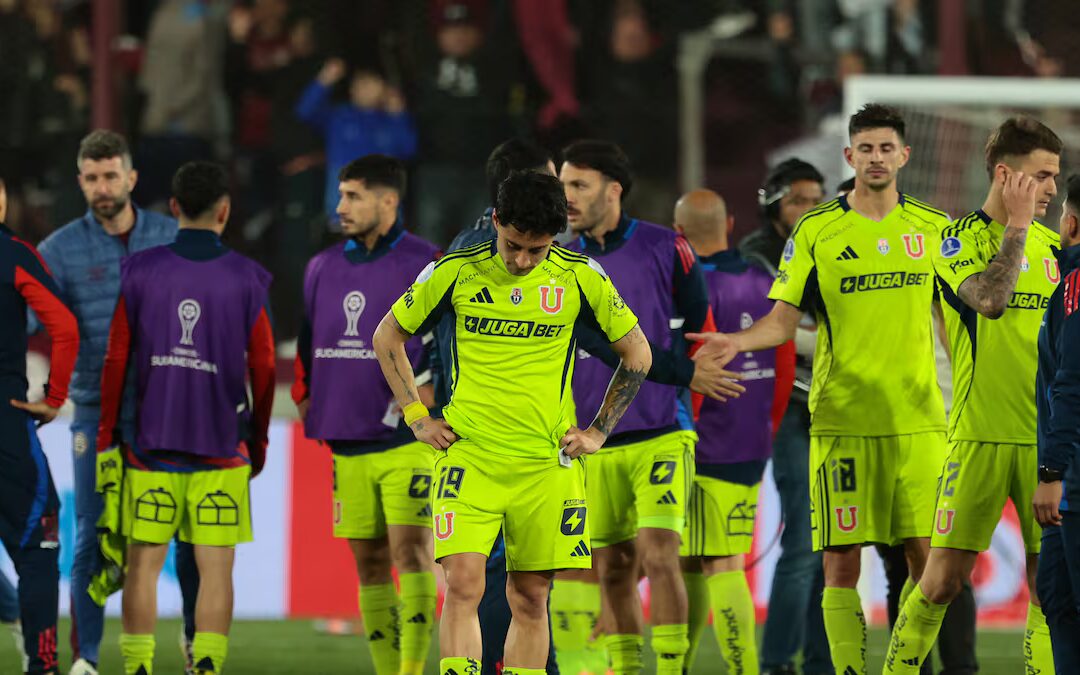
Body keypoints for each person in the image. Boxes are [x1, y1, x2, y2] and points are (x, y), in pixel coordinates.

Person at [688, 104, 950, 674]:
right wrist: (739, 341)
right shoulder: (817, 230)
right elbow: (782, 322)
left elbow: (954, 320)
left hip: (920, 420)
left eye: (887, 148)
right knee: (839, 563)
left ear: (904, 156)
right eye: (866, 148)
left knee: (930, 563)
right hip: (841, 420)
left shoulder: (933, 229)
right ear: (849, 156)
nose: (876, 158)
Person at [373, 170, 653, 675]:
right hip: (471, 458)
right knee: (463, 585)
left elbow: (637, 353)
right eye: (512, 246)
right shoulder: (453, 270)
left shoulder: (581, 275)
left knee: (530, 596)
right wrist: (417, 416)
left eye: (536, 251)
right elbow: (386, 336)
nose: (522, 261)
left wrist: (597, 431)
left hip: (546, 465)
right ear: (496, 221)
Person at [884, 117, 1064, 673]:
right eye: (1042, 176)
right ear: (1007, 176)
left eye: (1056, 177)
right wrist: (1013, 229)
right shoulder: (956, 242)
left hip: (1046, 445)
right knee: (940, 582)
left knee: (1050, 589)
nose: (1053, 189)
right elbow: (990, 300)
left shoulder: (1058, 251)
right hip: (978, 437)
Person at [96, 161, 275, 675]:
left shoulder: (140, 269)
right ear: (225, 211)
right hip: (222, 449)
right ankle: (208, 666)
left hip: (152, 448)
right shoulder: (248, 277)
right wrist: (257, 441)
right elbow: (263, 366)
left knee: (143, 565)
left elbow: (115, 358)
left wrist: (110, 436)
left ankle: (137, 667)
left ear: (173, 208)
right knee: (215, 569)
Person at [33, 130, 196, 675]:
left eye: (110, 175)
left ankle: (196, 636)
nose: (102, 187)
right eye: (91, 177)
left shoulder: (171, 236)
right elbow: (32, 321)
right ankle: (87, 657)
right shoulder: (57, 250)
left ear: (131, 177)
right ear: (81, 182)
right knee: (91, 537)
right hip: (95, 413)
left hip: (166, 410)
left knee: (187, 532)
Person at [560, 140, 713, 675]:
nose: (568, 197)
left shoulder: (664, 245)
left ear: (614, 190)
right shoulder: (558, 258)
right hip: (588, 437)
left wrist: (684, 390)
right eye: (563, 186)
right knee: (614, 568)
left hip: (661, 429)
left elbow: (698, 324)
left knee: (660, 553)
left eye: (579, 185)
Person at [292, 155, 439, 675]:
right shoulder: (321, 266)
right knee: (369, 562)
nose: (341, 207)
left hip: (406, 441)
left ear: (388, 201)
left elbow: (443, 348)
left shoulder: (426, 263)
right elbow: (309, 345)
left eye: (353, 196)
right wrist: (306, 394)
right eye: (341, 195)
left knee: (412, 556)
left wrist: (426, 401)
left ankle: (412, 670)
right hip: (346, 442)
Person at [675, 189, 795, 674]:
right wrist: (766, 428)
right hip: (749, 441)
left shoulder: (682, 284)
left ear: (678, 235)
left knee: (705, 563)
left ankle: (722, 667)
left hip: (694, 443)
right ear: (728, 227)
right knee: (705, 561)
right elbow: (784, 364)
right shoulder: (764, 279)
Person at [739, 158, 833, 675]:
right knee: (804, 541)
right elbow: (774, 327)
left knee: (832, 545)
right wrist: (834, 340)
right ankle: (778, 661)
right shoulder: (757, 257)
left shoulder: (827, 245)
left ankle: (820, 659)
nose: (809, 208)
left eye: (817, 198)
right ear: (772, 203)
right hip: (791, 408)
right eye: (798, 199)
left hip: (834, 408)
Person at [0, 174, 79, 675]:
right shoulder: (15, 253)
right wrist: (53, 397)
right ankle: (43, 664)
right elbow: (65, 327)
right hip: (6, 423)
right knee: (38, 545)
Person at [1034, 173, 1080, 673]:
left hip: (1071, 479)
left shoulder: (1076, 286)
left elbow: (1070, 384)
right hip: (1070, 476)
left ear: (1068, 224)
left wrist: (1052, 473)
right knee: (1057, 598)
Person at [295, 58, 417, 221]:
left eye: (371, 84)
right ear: (352, 90)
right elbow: (305, 111)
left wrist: (399, 115)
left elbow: (408, 150)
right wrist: (324, 80)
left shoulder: (391, 120)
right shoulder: (339, 116)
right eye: (360, 85)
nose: (365, 90)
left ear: (384, 89)